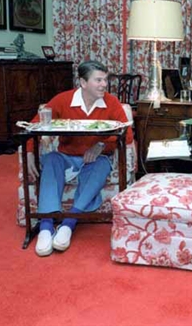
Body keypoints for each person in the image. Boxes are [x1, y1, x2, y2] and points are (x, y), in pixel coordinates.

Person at [26, 61, 133, 257]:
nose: (104, 85)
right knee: (51, 159)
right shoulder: (63, 100)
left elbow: (127, 136)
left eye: (105, 80)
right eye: (98, 80)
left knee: (102, 165)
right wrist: (30, 153)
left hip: (95, 160)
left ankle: (69, 223)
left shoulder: (111, 102)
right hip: (66, 156)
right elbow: (34, 126)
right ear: (83, 82)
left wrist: (101, 145)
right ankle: (46, 226)